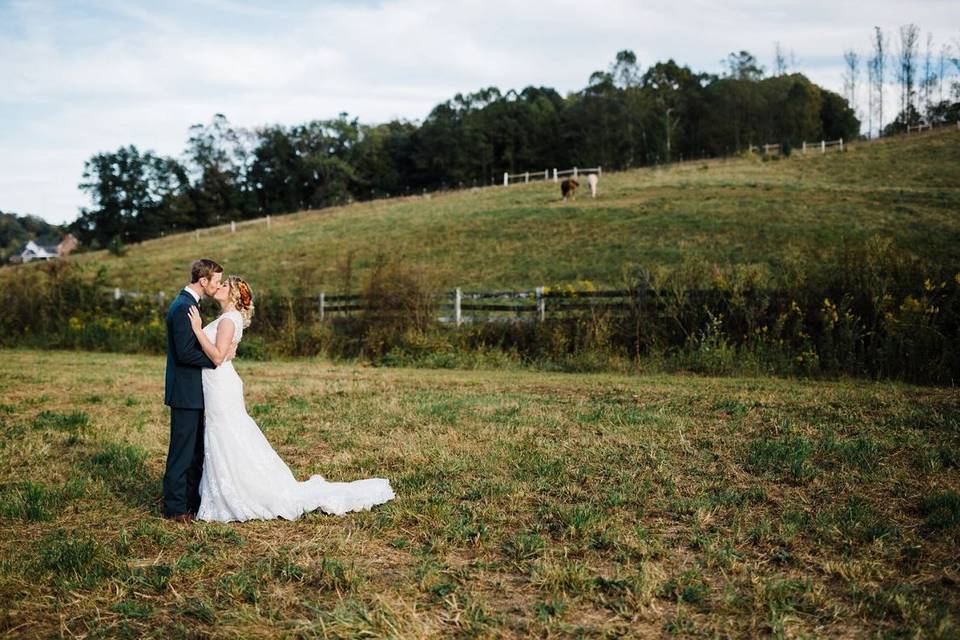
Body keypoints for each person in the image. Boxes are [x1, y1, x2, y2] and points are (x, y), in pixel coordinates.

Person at [186, 276, 395, 522]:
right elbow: (226, 352)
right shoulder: (229, 319)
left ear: (232, 294)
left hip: (220, 385)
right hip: (218, 383)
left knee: (226, 432)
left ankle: (242, 492)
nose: (217, 287)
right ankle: (229, 488)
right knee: (228, 432)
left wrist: (198, 330)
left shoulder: (228, 320)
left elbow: (218, 357)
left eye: (223, 285)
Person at [163, 259, 236, 522]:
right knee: (182, 451)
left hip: (195, 391)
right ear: (202, 281)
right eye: (215, 281)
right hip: (184, 392)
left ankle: (191, 501)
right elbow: (184, 354)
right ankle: (175, 508)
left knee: (194, 450)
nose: (217, 286)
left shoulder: (191, 304)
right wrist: (218, 358)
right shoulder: (183, 307)